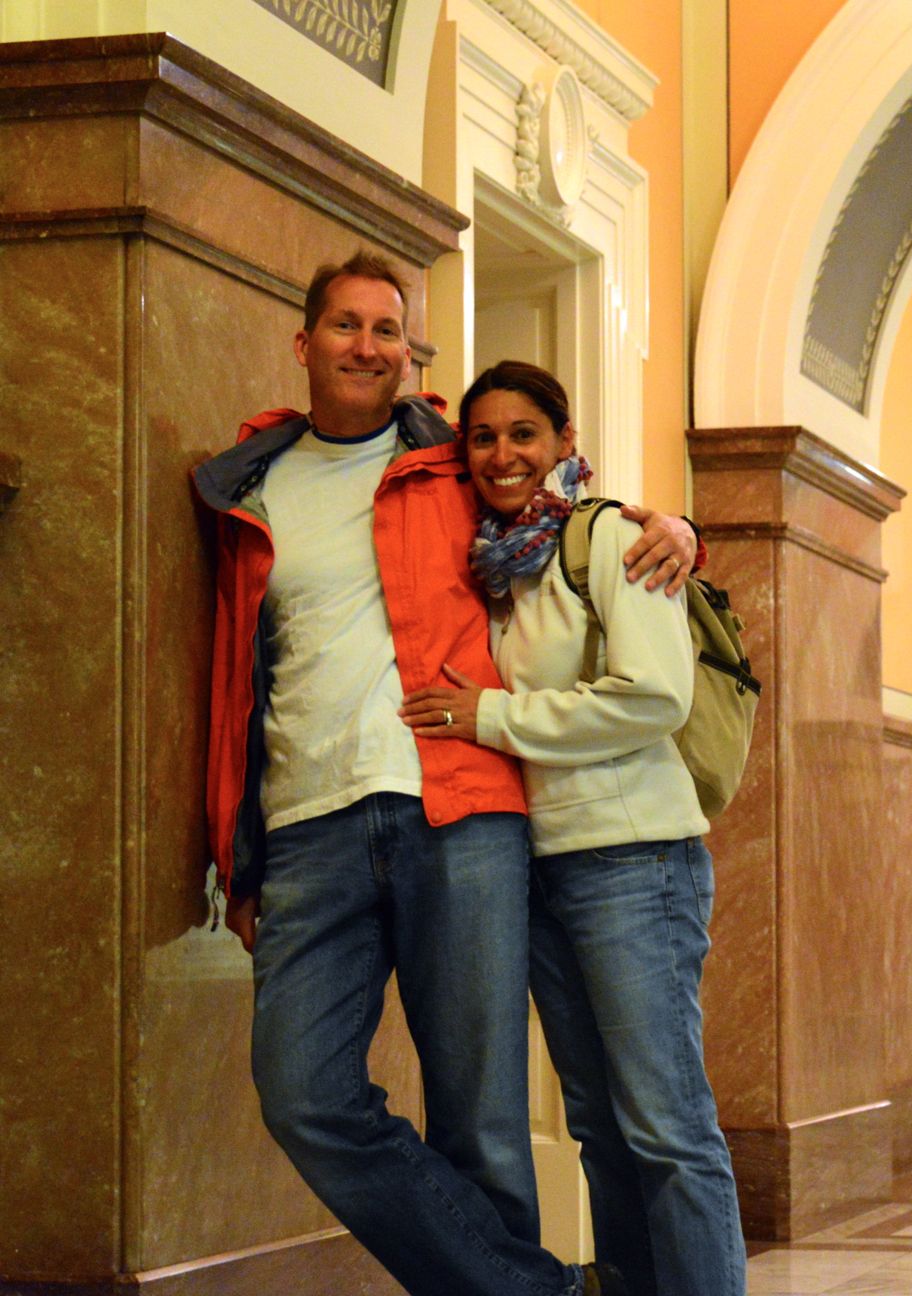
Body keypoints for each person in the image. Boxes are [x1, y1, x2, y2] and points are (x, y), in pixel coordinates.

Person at [192, 251, 695, 1296]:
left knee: (481, 1121)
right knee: (303, 1093)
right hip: (307, 826)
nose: (367, 347)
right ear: (304, 343)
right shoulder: (250, 487)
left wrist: (677, 525)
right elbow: (237, 677)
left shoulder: (450, 462)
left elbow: (562, 495)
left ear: (409, 353)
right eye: (346, 325)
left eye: (388, 330)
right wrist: (238, 853)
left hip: (460, 813)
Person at [398, 360, 747, 1296]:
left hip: (636, 863)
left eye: (524, 434)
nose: (502, 454)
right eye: (482, 437)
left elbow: (656, 697)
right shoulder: (498, 567)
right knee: (599, 1126)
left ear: (564, 442)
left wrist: (492, 716)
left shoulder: (614, 540)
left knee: (667, 1126)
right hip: (543, 866)